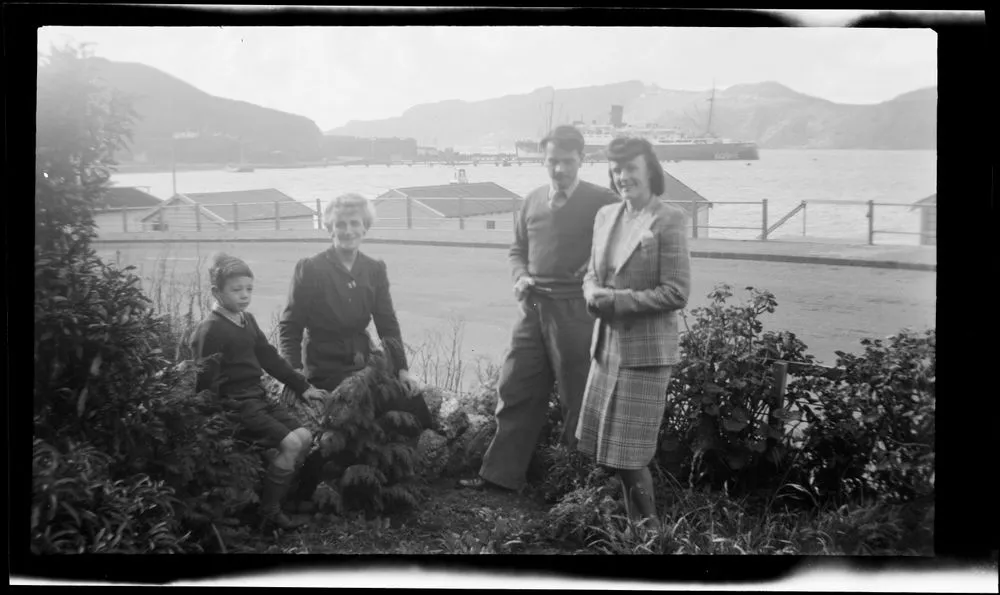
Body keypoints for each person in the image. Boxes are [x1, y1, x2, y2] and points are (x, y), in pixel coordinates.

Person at [459, 125, 619, 492]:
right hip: (533, 306)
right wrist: (520, 276)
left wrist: (595, 267)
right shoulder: (531, 200)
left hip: (577, 309)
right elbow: (517, 250)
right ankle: (501, 477)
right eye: (552, 161)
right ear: (543, 160)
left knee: (576, 396)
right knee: (515, 385)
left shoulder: (603, 200)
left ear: (582, 159)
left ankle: (573, 486)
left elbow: (623, 242)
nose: (559, 169)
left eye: (567, 161)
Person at [278, 193, 427, 503]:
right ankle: (311, 491)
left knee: (412, 403)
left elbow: (387, 324)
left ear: (364, 227)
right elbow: (290, 326)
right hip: (324, 363)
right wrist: (294, 374)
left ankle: (397, 475)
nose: (347, 231)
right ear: (330, 228)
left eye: (354, 224)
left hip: (363, 360)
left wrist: (402, 369)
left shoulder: (374, 269)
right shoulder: (311, 268)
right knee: (349, 415)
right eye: (340, 224)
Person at [578, 137, 692, 532]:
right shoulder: (606, 215)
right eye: (616, 169)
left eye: (631, 168)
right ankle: (636, 530)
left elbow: (676, 292)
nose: (623, 177)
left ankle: (651, 533)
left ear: (650, 171)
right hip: (608, 348)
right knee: (616, 454)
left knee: (631, 455)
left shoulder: (669, 219)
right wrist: (591, 292)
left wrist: (619, 300)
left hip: (645, 354)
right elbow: (592, 272)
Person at [191, 253, 328, 531]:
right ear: (216, 292)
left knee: (304, 437)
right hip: (235, 405)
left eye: (249, 289)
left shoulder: (247, 320)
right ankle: (269, 512)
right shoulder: (210, 330)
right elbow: (205, 383)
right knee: (291, 444)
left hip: (258, 397)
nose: (244, 295)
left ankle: (280, 496)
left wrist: (303, 387)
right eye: (236, 290)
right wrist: (212, 424)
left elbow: (270, 359)